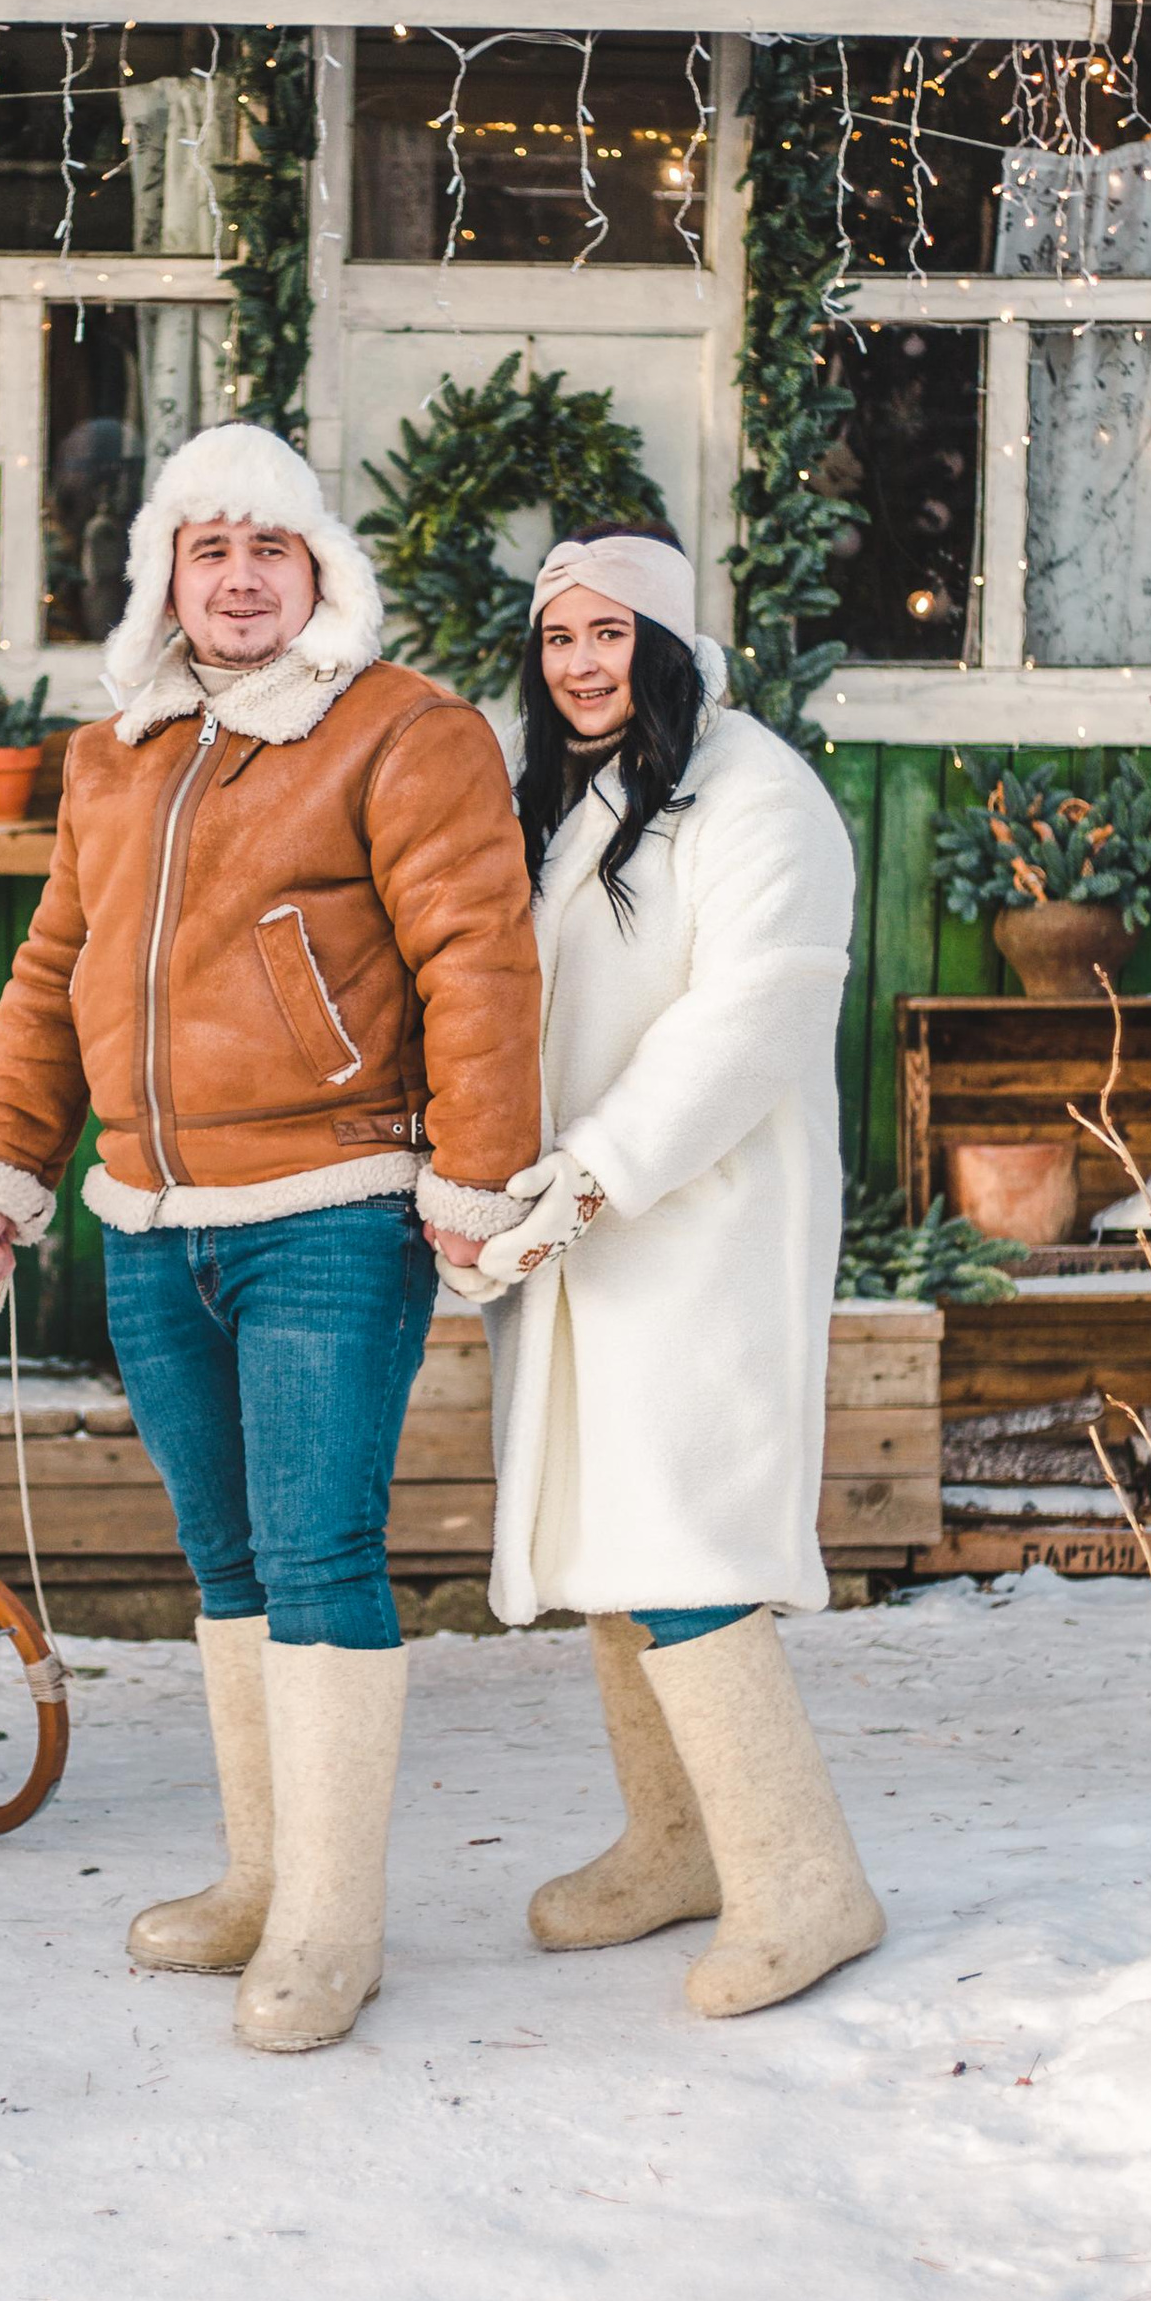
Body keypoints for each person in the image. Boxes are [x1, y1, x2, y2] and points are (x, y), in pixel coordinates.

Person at [0, 420, 543, 2054]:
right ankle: (262, 1879)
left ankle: (332, 1927)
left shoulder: (402, 733)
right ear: (168, 580)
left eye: (269, 548)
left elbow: (480, 964)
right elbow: (56, 972)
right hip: (150, 1220)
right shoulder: (114, 755)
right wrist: (3, 1170)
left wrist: (477, 1177)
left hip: (334, 1208)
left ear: (318, 569)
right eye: (209, 551)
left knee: (319, 1548)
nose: (240, 578)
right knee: (224, 1561)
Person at [446, 526, 885, 2017]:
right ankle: (678, 1841)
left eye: (609, 634)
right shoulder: (579, 799)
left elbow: (748, 1019)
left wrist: (596, 1172)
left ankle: (803, 1881)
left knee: (683, 1539)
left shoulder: (759, 794)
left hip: (696, 1219)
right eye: (559, 638)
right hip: (582, 1225)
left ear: (670, 642)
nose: (579, 662)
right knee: (614, 1541)